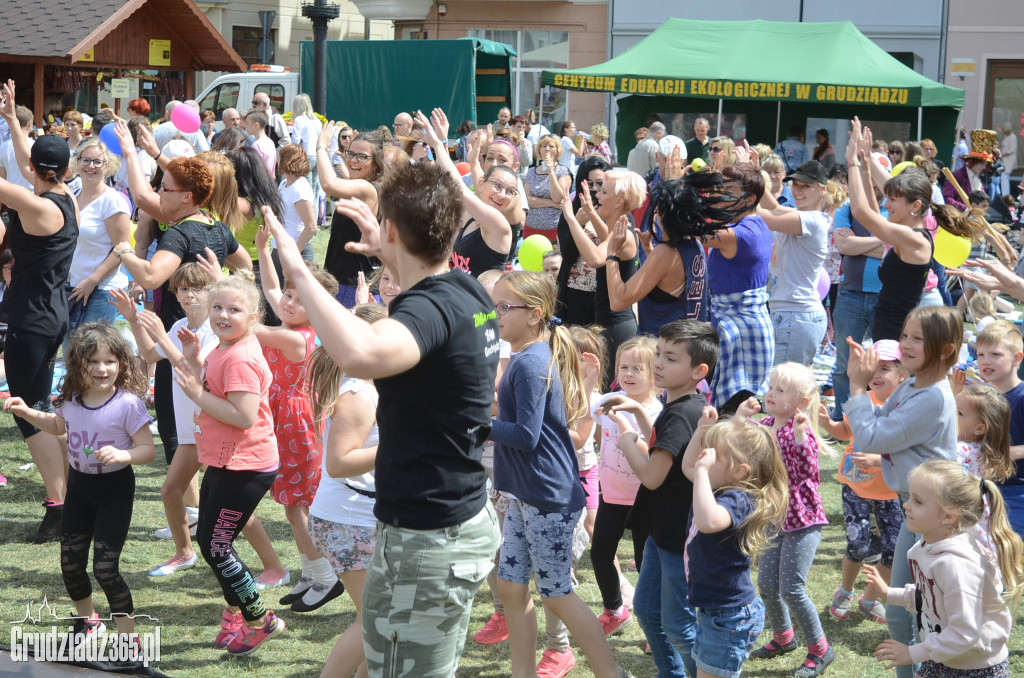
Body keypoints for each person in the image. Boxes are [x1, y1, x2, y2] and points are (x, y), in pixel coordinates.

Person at [266, 123, 502, 674]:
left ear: (392, 229)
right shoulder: (465, 286)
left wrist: (298, 271)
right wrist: (390, 251)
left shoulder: (431, 309)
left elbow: (363, 354)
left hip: (430, 535)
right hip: (438, 521)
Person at [488, 270, 627, 678]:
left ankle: (610, 673)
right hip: (525, 493)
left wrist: (474, 425)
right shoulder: (525, 355)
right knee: (512, 586)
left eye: (503, 307)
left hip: (547, 496)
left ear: (534, 315)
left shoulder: (531, 363)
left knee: (558, 595)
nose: (496, 315)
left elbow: (527, 437)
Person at [4, 323, 155, 642]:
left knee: (105, 569)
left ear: (121, 364)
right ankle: (88, 622)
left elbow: (148, 450)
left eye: (109, 361)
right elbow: (58, 425)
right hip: (79, 491)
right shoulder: (71, 399)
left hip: (114, 492)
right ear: (77, 364)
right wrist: (28, 411)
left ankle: (129, 639)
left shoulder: (127, 404)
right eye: (93, 361)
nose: (102, 369)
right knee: (70, 564)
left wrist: (124, 454)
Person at [844, 305, 961, 678]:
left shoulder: (932, 397)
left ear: (945, 349)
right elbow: (884, 426)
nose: (906, 344)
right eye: (905, 335)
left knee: (914, 617)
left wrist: (856, 387)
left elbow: (875, 435)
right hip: (918, 510)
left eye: (917, 338)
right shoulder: (912, 385)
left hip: (933, 521)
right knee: (901, 615)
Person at [597, 319, 719, 678]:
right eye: (659, 355)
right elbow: (664, 444)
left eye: (671, 358)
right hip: (659, 532)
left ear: (699, 370)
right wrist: (637, 414)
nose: (660, 365)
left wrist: (627, 440)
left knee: (679, 627)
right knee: (649, 613)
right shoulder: (682, 404)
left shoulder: (682, 414)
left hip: (675, 538)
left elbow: (651, 476)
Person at [173, 275, 285, 655]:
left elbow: (243, 416)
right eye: (217, 307)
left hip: (245, 464)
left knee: (216, 545)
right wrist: (192, 359)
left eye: (234, 309)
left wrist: (196, 394)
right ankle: (237, 614)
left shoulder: (240, 356)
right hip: (226, 461)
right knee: (212, 540)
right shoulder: (225, 346)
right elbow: (212, 380)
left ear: (253, 317)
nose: (223, 315)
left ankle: (259, 618)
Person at [0, 81, 77, 543]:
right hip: (51, 315)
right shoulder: (62, 197)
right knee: (42, 408)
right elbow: (29, 164)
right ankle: (69, 496)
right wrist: (11, 119)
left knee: (28, 412)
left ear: (35, 169)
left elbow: (9, 182)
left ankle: (60, 504)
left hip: (31, 321)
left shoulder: (37, 206)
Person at [254, 222, 344, 612]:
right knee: (293, 505)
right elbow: (272, 290)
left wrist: (223, 304)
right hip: (283, 419)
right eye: (290, 296)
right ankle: (311, 571)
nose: (288, 303)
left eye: (298, 299)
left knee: (297, 504)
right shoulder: (292, 323)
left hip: (296, 423)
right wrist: (262, 251)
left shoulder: (297, 337)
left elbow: (249, 325)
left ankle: (325, 577)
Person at [863, 459, 1024, 677]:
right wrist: (888, 594)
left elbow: (964, 633)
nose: (906, 505)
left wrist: (913, 653)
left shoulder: (955, 566)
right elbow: (930, 599)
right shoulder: (928, 547)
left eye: (918, 501)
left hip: (975, 667)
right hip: (946, 654)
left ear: (948, 516)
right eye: (909, 497)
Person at [110, 267, 213, 577]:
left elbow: (192, 369)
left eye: (196, 288)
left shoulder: (215, 330)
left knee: (232, 509)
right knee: (170, 492)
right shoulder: (180, 324)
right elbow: (149, 355)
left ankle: (275, 567)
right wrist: (131, 318)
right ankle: (184, 553)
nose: (189, 294)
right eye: (182, 289)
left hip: (213, 427)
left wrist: (161, 337)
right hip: (188, 431)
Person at [304, 305, 385, 677]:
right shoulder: (359, 394)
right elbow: (339, 462)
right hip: (349, 520)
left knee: (378, 622)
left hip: (358, 517)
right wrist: (399, 445)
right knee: (374, 620)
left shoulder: (366, 385)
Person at [680, 406, 789, 678]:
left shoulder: (739, 499)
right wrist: (702, 431)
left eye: (713, 455)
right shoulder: (717, 486)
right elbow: (687, 467)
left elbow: (708, 522)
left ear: (739, 472)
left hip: (729, 616)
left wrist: (703, 473)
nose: (704, 459)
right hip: (717, 611)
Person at [740, 363, 833, 677]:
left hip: (802, 520)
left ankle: (820, 649)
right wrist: (741, 419)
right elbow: (741, 447)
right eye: (771, 387)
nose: (771, 394)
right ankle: (783, 636)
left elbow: (807, 472)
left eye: (781, 390)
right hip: (773, 516)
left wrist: (798, 436)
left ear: (802, 402)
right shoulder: (764, 423)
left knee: (792, 588)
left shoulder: (799, 430)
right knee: (766, 584)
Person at [817, 340, 905, 624]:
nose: (877, 374)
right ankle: (845, 591)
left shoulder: (907, 406)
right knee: (858, 546)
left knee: (893, 550)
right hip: (855, 485)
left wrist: (881, 460)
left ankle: (870, 598)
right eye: (873, 368)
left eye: (886, 368)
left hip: (890, 491)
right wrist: (829, 426)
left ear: (903, 373)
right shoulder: (861, 398)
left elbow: (908, 449)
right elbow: (846, 430)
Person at [587, 338, 663, 637]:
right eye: (623, 366)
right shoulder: (608, 400)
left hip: (645, 498)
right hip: (612, 495)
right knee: (600, 553)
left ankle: (653, 623)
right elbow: (586, 413)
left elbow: (651, 454)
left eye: (637, 368)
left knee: (647, 562)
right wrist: (592, 380)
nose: (628, 373)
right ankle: (615, 610)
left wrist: (622, 425)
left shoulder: (656, 412)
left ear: (655, 373)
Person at [702, 164, 775, 413]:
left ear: (750, 198)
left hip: (741, 330)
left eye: (728, 189)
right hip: (742, 324)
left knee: (735, 412)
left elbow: (693, 231)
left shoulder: (740, 234)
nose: (720, 194)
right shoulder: (754, 224)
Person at [758, 159, 831, 365]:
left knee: (784, 389)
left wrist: (742, 187)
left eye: (806, 186)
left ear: (822, 190)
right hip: (791, 314)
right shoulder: (802, 215)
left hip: (797, 315)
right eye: (796, 185)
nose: (798, 190)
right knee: (784, 388)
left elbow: (764, 216)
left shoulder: (812, 220)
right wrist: (754, 175)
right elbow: (771, 206)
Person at [315, 123, 385, 306]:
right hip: (344, 281)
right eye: (351, 154)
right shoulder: (362, 184)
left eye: (362, 157)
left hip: (354, 287)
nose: (353, 160)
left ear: (376, 162)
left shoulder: (367, 188)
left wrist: (321, 146)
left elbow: (329, 184)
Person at [66, 139, 130, 331]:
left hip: (103, 289)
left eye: (97, 162)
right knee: (72, 351)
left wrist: (92, 281)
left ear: (107, 166)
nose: (90, 166)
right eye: (85, 160)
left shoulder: (113, 201)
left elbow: (123, 248)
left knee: (92, 353)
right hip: (74, 286)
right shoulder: (73, 195)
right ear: (77, 163)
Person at [955, 384, 1015, 547]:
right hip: (979, 511)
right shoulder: (982, 449)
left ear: (980, 428)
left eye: (959, 413)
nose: (951, 416)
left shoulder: (962, 449)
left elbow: (954, 475)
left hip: (962, 514)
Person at [524, 134, 571, 242]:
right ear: (539, 149)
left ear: (557, 150)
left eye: (551, 146)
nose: (547, 149)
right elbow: (528, 200)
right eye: (544, 146)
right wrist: (552, 204)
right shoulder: (532, 172)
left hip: (554, 229)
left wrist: (551, 172)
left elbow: (558, 198)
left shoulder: (563, 172)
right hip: (531, 227)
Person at [275, 144, 317, 262]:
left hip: (297, 252)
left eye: (280, 157)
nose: (277, 160)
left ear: (286, 161)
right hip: (279, 247)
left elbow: (311, 227)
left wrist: (295, 252)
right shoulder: (284, 183)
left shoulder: (300, 189)